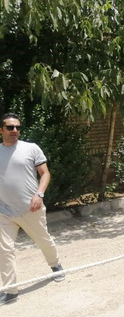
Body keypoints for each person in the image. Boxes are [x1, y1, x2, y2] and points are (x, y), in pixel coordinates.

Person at [0, 113, 64, 306]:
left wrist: (39, 194)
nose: (15, 131)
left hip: (31, 208)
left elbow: (45, 174)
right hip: (4, 211)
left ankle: (56, 265)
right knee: (4, 250)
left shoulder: (31, 148)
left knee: (43, 239)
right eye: (10, 127)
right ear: (1, 130)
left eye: (17, 127)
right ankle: (11, 290)